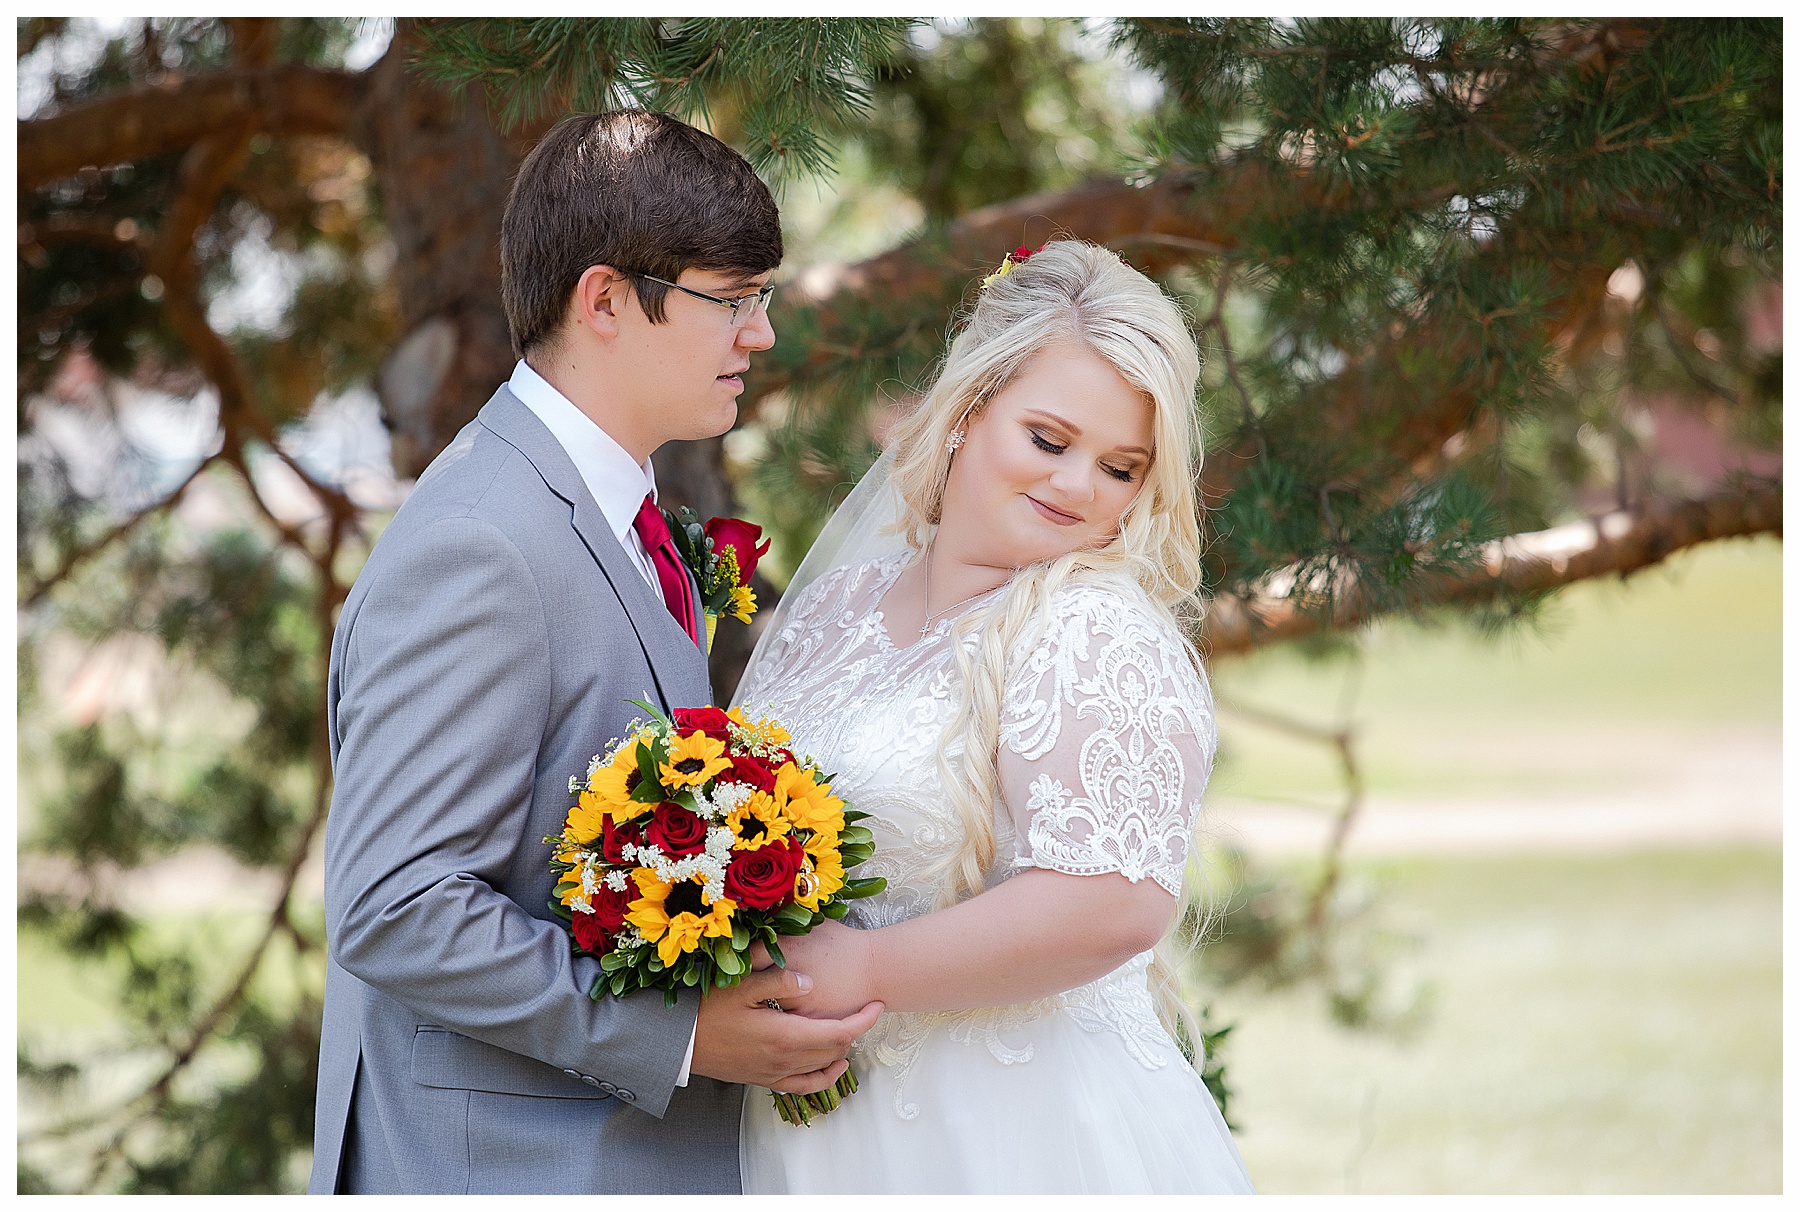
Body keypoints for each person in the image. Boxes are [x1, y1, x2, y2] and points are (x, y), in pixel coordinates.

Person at [309, 110, 881, 1195]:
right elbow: (395, 905)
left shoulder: (610, 503)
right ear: (607, 300)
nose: (759, 334)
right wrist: (679, 1036)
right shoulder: (484, 542)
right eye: (733, 299)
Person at [731, 240, 1254, 1193]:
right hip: (817, 1137)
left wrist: (869, 969)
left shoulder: (1091, 628)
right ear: (969, 412)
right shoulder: (842, 608)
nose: (1075, 488)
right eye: (1048, 441)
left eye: (1121, 468)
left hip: (1014, 1140)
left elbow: (1115, 901)